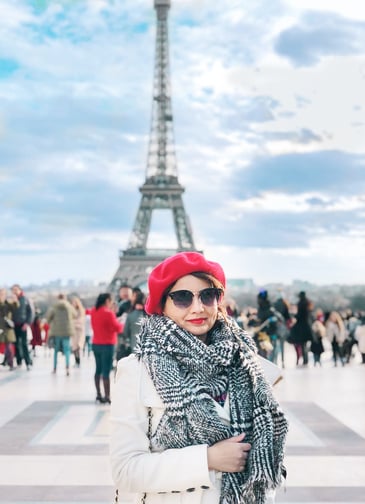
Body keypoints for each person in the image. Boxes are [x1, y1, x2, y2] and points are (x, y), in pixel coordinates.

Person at [110, 252, 288, 504]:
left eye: (208, 295)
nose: (198, 307)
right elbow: (125, 470)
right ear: (162, 305)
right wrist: (207, 459)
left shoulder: (249, 367)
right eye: (182, 297)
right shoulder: (136, 371)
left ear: (219, 301)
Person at [91, 293, 124, 404]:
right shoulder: (108, 313)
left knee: (98, 370)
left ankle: (98, 394)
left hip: (96, 344)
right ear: (107, 301)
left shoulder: (93, 312)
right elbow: (117, 328)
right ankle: (107, 396)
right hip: (107, 344)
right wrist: (122, 323)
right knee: (106, 371)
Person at [46, 294, 76, 376]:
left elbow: (48, 318)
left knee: (56, 351)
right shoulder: (69, 306)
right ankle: (67, 368)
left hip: (56, 332)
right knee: (67, 350)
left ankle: (55, 368)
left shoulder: (54, 307)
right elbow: (75, 315)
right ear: (65, 298)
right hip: (67, 331)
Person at [11, 284, 34, 370]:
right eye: (13, 290)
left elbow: (31, 312)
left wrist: (27, 323)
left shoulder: (25, 299)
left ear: (20, 290)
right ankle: (19, 362)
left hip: (23, 325)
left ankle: (28, 362)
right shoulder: (12, 300)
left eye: (16, 290)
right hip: (14, 325)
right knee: (16, 344)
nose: (15, 291)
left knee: (24, 344)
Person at [288, 291, 313, 366]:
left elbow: (299, 315)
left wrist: (294, 316)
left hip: (301, 326)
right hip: (307, 325)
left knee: (302, 344)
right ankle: (306, 360)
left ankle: (305, 360)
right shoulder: (308, 303)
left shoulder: (301, 303)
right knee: (304, 345)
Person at [0, 288, 17, 370]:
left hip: (7, 328)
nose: (2, 296)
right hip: (0, 327)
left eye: (3, 294)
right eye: (1, 294)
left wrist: (15, 300)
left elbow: (15, 306)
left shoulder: (8, 304)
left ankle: (11, 364)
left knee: (9, 347)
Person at [70, 296, 86, 367]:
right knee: (74, 347)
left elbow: (81, 320)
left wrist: (73, 322)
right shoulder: (71, 310)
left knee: (78, 347)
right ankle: (76, 361)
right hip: (73, 331)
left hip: (79, 331)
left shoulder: (81, 310)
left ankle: (78, 361)